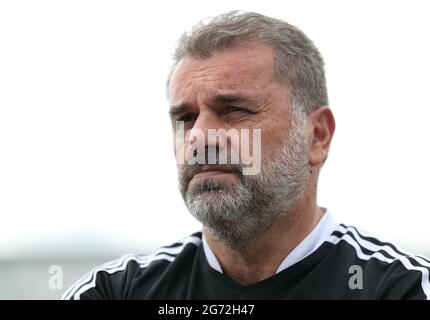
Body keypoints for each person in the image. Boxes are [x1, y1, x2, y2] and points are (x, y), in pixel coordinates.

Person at [62, 11, 430, 300]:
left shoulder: (403, 289)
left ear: (316, 136)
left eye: (233, 110)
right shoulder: (112, 291)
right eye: (185, 118)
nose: (200, 137)